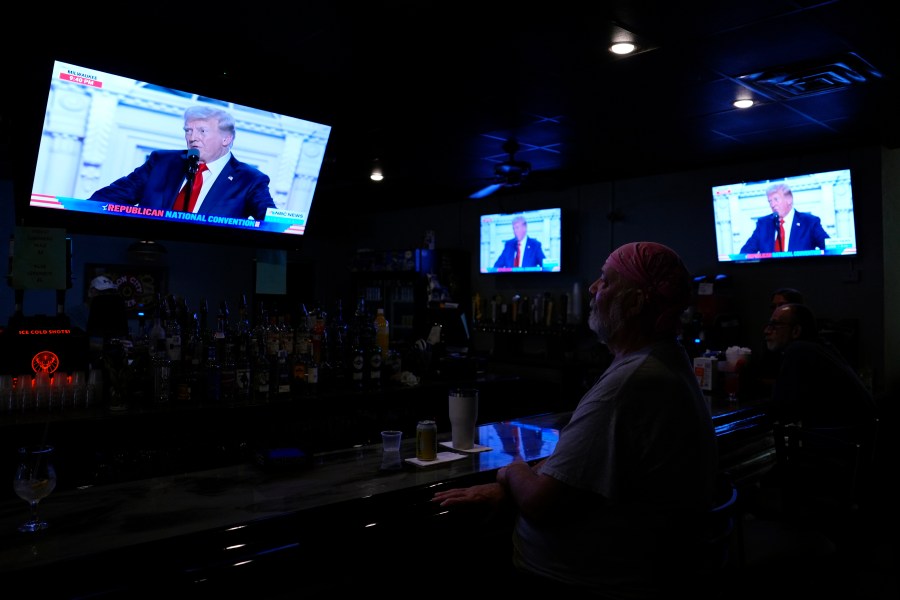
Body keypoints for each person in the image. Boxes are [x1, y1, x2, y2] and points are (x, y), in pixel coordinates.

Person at [433, 241, 719, 597]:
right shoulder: (664, 360)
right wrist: (519, 485)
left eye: (606, 280)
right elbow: (574, 470)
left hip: (581, 584)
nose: (593, 289)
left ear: (635, 302)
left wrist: (509, 471)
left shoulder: (630, 383)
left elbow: (540, 503)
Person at [90, 105, 276, 221]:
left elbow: (273, 222)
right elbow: (104, 199)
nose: (192, 137)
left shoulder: (250, 179)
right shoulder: (161, 162)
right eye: (188, 131)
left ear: (226, 138)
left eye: (202, 131)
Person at [739, 183, 829, 254]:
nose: (772, 205)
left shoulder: (809, 222)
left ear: (789, 199)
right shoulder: (763, 224)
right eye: (770, 201)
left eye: (776, 199)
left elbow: (830, 248)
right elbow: (745, 252)